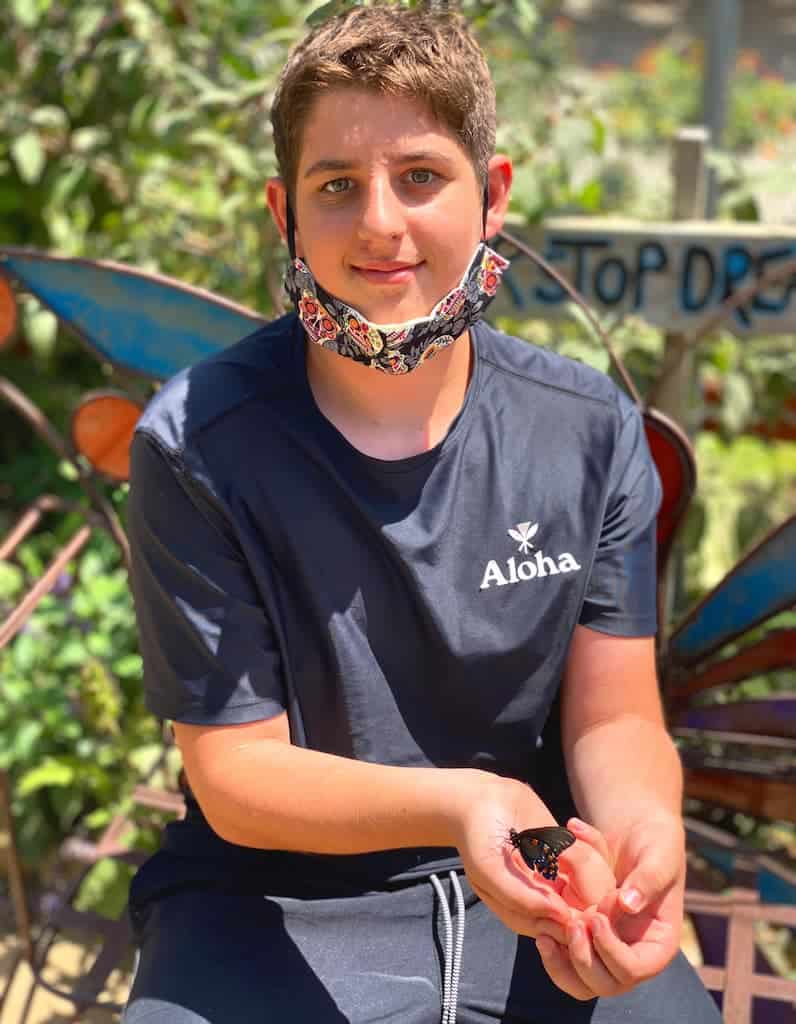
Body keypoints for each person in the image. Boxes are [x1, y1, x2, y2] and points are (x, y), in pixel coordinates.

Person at [121, 4, 721, 1022]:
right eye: (336, 186)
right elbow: (234, 772)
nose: (380, 223)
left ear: (492, 196)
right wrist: (459, 804)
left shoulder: (589, 433)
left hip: (533, 889)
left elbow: (616, 715)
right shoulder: (196, 446)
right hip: (266, 898)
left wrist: (637, 836)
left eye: (420, 176)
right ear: (284, 213)